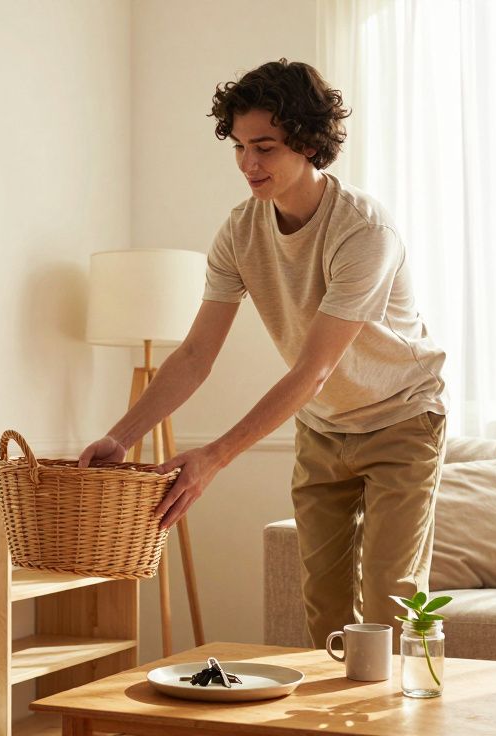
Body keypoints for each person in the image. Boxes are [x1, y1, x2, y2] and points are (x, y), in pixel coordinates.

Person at [79, 59, 448, 648]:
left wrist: (215, 457)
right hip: (323, 427)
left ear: (307, 144)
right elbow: (197, 353)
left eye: (266, 147)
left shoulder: (363, 232)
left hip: (402, 419)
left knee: (390, 603)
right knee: (324, 611)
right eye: (240, 147)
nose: (249, 164)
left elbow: (316, 367)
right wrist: (121, 437)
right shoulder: (240, 232)